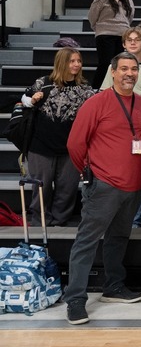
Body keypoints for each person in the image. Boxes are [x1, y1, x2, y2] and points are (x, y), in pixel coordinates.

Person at [65, 53, 141, 325]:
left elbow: (139, 136)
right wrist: (93, 172)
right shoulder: (96, 103)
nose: (129, 73)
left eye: (134, 69)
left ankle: (113, 287)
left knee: (118, 238)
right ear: (113, 72)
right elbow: (75, 145)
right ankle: (75, 299)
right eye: (123, 69)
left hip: (134, 184)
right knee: (87, 242)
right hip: (103, 185)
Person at [21, 48, 95, 226]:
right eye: (72, 61)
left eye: (78, 61)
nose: (76, 64)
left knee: (67, 189)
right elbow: (24, 98)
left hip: (70, 148)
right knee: (41, 187)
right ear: (62, 63)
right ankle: (40, 221)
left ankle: (60, 221)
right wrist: (31, 101)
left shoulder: (85, 89)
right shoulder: (44, 82)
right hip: (41, 146)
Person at [89, 0, 135, 89]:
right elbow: (92, 16)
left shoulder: (128, 0)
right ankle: (96, 89)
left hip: (122, 36)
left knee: (120, 65)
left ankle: (116, 88)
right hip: (105, 35)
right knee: (105, 64)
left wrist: (124, 30)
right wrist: (99, 29)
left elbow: (129, 18)